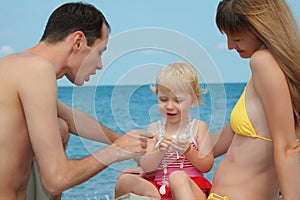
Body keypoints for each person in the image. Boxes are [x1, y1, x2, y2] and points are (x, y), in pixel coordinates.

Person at [0, 2, 152, 200]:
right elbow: (57, 179)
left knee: (61, 126)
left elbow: (72, 119)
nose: (99, 65)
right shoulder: (38, 70)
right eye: (100, 52)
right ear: (78, 41)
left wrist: (128, 144)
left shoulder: (16, 65)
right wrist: (116, 151)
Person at [208, 0, 300, 199]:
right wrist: (165, 157)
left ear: (261, 29)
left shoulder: (263, 62)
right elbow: (224, 140)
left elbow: (288, 148)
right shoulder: (276, 70)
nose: (230, 46)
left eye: (236, 38)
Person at [114, 62, 214, 200]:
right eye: (163, 99)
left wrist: (189, 151)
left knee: (177, 177)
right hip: (159, 189)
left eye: (177, 100)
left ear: (193, 100)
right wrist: (159, 151)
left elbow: (207, 165)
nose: (169, 106)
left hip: (191, 189)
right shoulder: (155, 129)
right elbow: (147, 166)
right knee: (125, 180)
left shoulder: (198, 128)